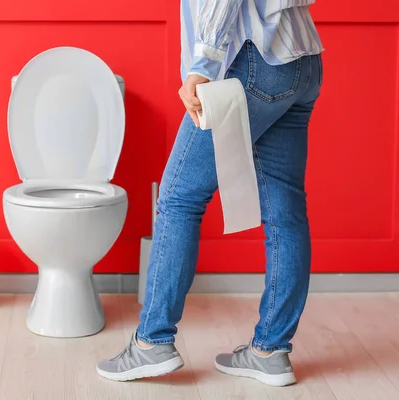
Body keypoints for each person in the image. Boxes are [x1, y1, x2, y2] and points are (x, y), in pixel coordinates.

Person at [96, 0, 324, 387]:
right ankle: (270, 351)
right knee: (285, 207)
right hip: (301, 56)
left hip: (251, 58)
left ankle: (152, 342)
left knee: (179, 198)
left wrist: (203, 64)